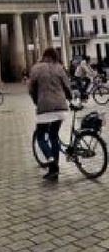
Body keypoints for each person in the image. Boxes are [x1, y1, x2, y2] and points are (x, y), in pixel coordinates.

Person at [28, 47, 72, 181]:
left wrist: (37, 101)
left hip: (45, 107)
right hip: (60, 107)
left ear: (44, 55)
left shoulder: (36, 68)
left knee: (40, 136)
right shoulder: (59, 67)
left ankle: (50, 158)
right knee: (53, 136)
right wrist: (69, 98)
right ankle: (54, 170)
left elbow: (31, 89)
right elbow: (67, 86)